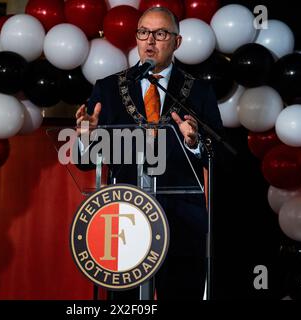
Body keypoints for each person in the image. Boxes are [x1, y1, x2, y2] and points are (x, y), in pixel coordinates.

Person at [75, 6, 223, 300]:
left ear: (177, 42)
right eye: (143, 32)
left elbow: (217, 153)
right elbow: (84, 162)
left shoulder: (198, 91)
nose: (150, 41)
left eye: (160, 33)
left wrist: (194, 142)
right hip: (124, 220)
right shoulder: (108, 89)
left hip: (184, 219)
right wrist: (87, 140)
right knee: (126, 303)